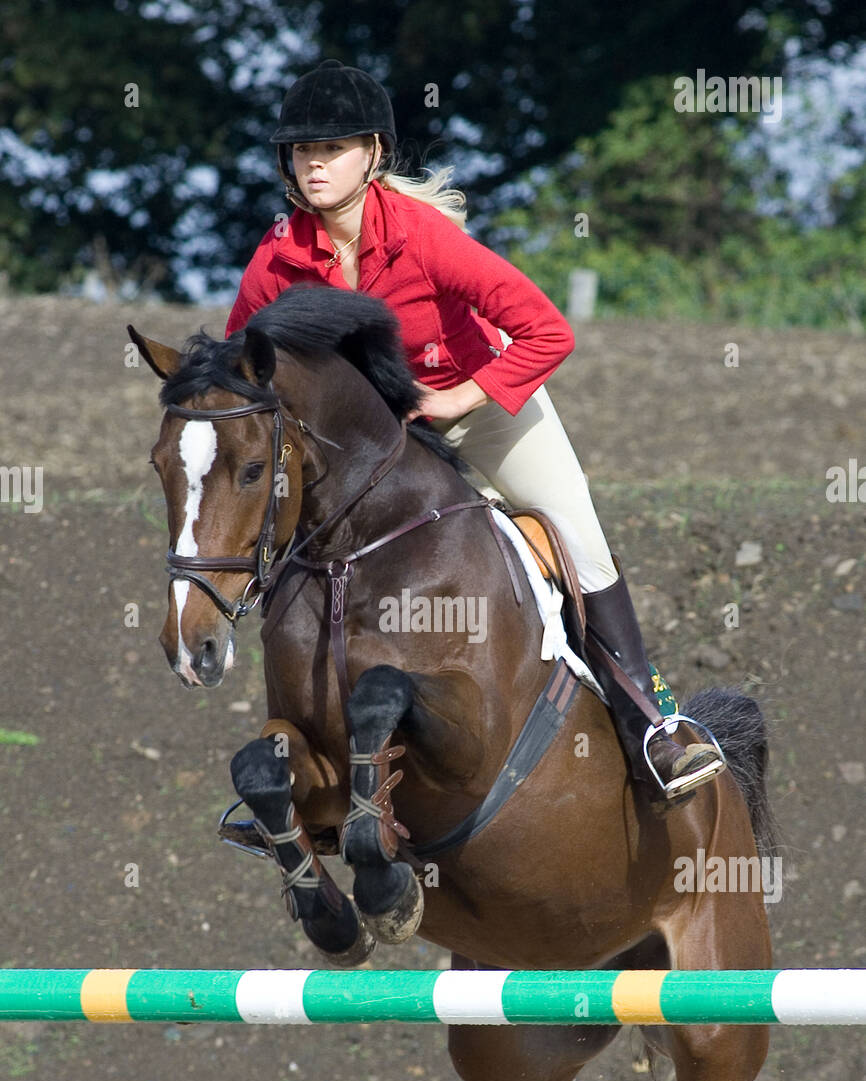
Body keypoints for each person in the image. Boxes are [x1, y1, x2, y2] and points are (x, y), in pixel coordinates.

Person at [225, 59, 725, 804]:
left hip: (493, 415)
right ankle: (306, 769)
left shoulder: (425, 239)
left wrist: (464, 394)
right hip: (387, 447)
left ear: (374, 155)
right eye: (302, 151)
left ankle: (651, 722)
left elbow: (548, 331)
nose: (314, 164)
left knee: (579, 545)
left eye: (331, 149)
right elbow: (242, 372)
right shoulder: (280, 258)